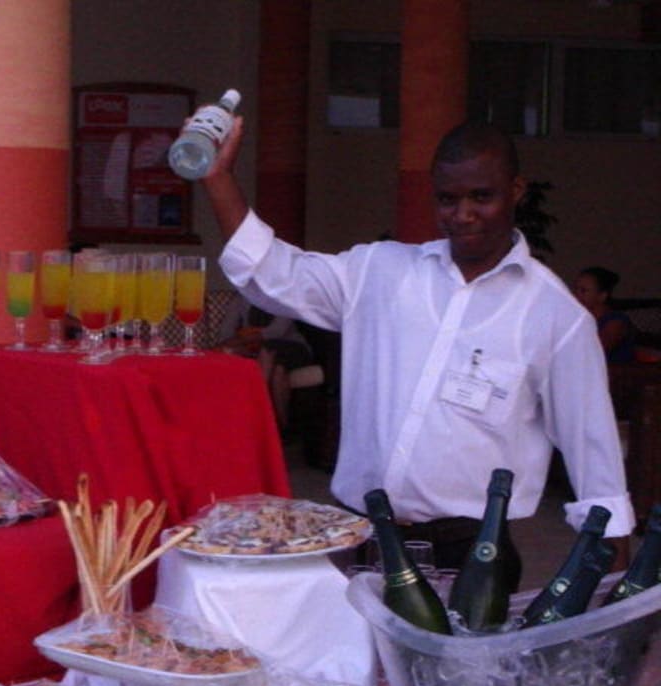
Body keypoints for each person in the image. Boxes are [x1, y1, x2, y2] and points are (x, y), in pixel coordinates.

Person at [201, 118, 634, 582]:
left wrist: (619, 600)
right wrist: (218, 178)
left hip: (471, 556)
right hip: (358, 541)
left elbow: (595, 458)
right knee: (351, 656)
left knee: (460, 658)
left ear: (516, 190)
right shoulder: (381, 272)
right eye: (448, 199)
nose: (462, 214)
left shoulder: (555, 316)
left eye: (481, 197)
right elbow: (272, 273)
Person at [216, 294, 314, 434]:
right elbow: (225, 333)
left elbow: (276, 331)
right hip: (263, 353)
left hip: (293, 347)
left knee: (266, 349)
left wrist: (239, 341)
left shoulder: (283, 297)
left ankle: (259, 410)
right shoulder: (241, 299)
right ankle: (281, 429)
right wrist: (234, 344)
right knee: (278, 373)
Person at [573, 266, 637, 363]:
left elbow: (596, 351)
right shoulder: (579, 320)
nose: (576, 295)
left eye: (583, 291)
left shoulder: (616, 321)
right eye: (576, 289)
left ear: (602, 296)